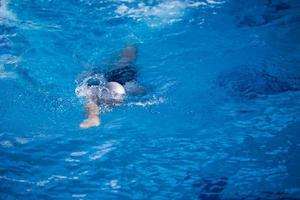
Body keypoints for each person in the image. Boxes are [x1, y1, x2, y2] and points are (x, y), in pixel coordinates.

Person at [79, 45, 144, 128]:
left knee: (91, 100)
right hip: (122, 75)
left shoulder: (127, 87)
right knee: (126, 59)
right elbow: (141, 91)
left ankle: (93, 117)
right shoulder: (129, 86)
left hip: (115, 81)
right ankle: (131, 44)